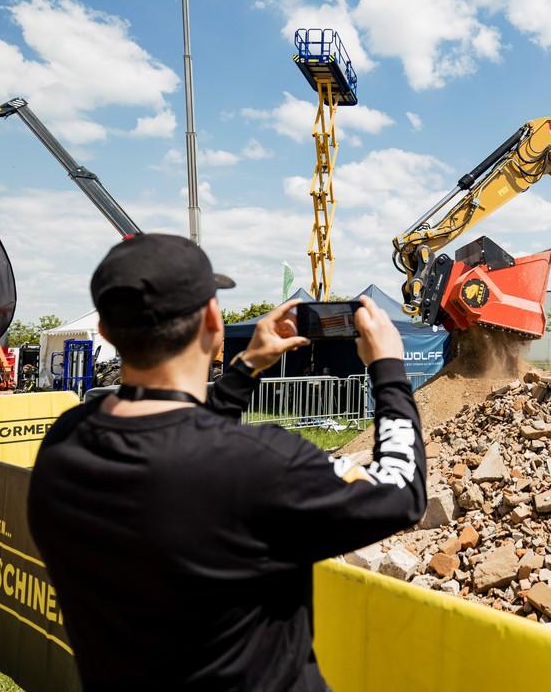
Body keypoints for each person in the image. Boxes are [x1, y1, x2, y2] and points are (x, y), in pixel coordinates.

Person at [27, 234, 426, 691]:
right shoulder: (260, 465)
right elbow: (401, 491)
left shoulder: (65, 443)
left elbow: (178, 437)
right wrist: (390, 370)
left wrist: (245, 369)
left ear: (104, 330)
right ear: (214, 320)